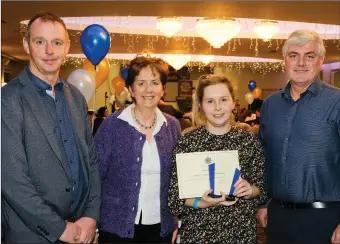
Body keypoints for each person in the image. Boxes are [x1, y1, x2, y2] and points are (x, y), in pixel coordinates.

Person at [1, 12, 101, 243]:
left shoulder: (75, 97)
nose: (49, 51)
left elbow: (92, 162)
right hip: (33, 235)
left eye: (57, 43)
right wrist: (59, 228)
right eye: (40, 42)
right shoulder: (7, 100)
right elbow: (12, 180)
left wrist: (90, 216)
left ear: (66, 47)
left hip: (82, 230)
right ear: (26, 45)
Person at [257, 29, 340, 244]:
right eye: (294, 56)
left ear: (320, 61)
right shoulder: (270, 105)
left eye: (309, 56)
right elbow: (263, 158)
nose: (301, 63)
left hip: (325, 219)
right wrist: (264, 203)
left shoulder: (337, 102)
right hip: (278, 217)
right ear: (285, 60)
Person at [168, 75, 267, 243]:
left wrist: (251, 190)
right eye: (210, 101)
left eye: (223, 100)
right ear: (200, 106)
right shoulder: (187, 142)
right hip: (198, 233)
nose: (218, 107)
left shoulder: (248, 140)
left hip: (239, 233)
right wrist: (201, 202)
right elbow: (174, 198)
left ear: (233, 103)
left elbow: (262, 187)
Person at [94, 56, 181, 243]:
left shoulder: (172, 126)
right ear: (131, 89)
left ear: (163, 88)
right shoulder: (112, 125)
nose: (148, 90)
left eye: (155, 83)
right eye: (141, 83)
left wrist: (176, 220)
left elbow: (177, 180)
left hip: (161, 227)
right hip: (115, 227)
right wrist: (91, 220)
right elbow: (95, 175)